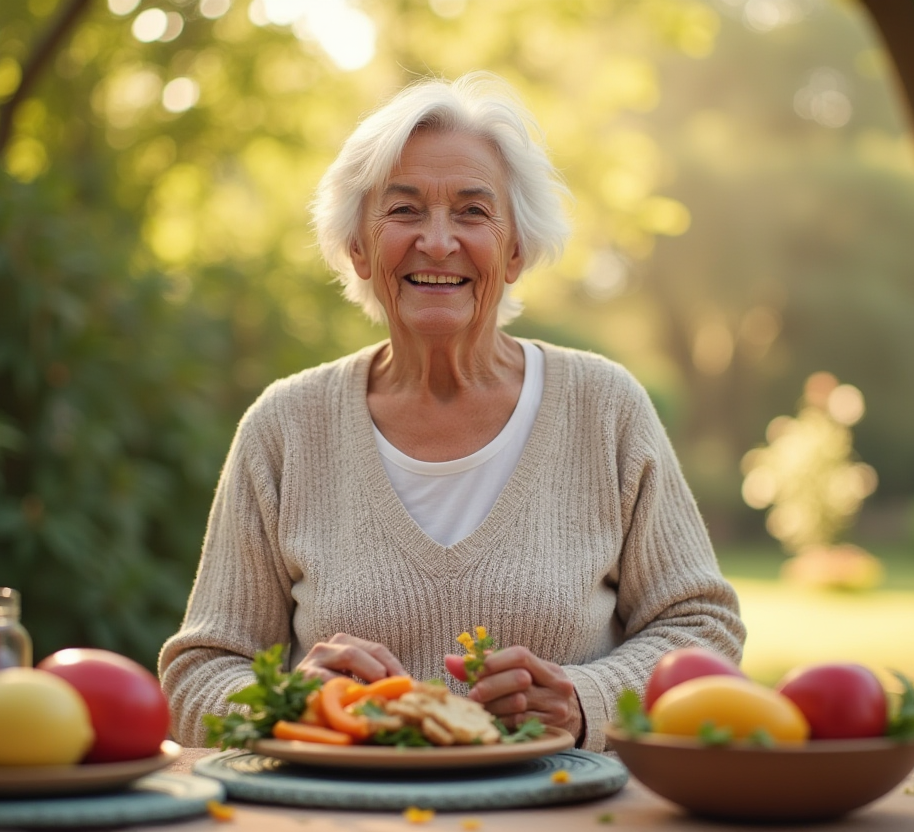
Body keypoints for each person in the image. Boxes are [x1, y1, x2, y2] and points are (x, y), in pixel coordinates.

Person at [158, 71, 746, 753]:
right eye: (404, 211)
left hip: (560, 816)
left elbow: (703, 628)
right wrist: (292, 700)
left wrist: (586, 703)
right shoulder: (285, 428)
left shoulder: (603, 407)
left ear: (516, 249)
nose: (438, 242)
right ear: (357, 245)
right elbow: (197, 675)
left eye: (472, 212)